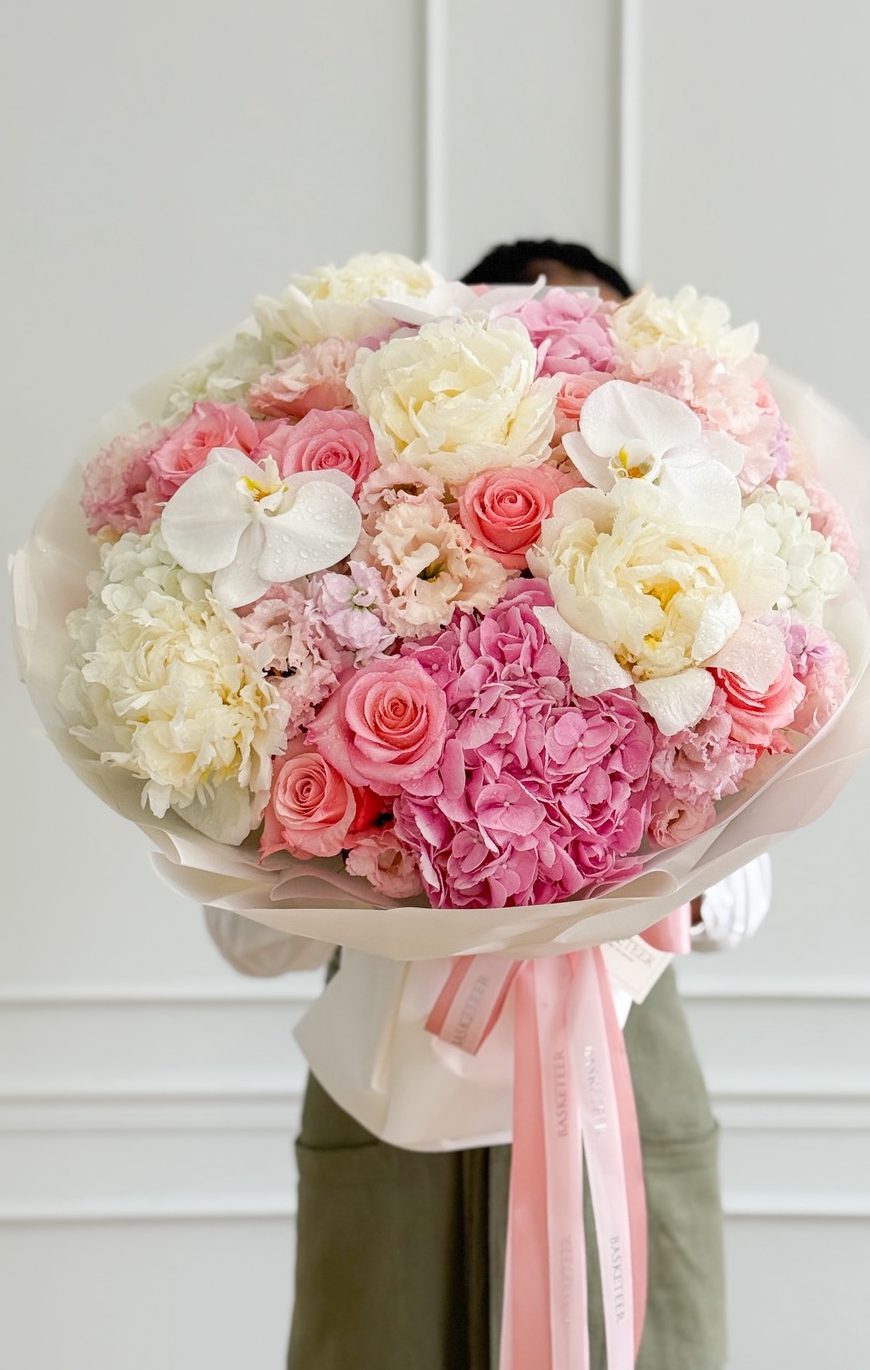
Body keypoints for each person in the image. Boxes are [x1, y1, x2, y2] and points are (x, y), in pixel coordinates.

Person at [205, 240, 773, 1369]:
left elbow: (737, 910)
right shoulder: (343, 637)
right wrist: (362, 817)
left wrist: (637, 821)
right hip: (389, 1106)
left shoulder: (695, 631)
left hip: (613, 1084)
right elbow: (246, 942)